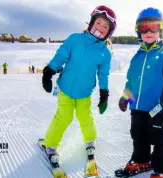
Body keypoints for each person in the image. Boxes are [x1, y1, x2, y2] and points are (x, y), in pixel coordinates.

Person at [41, 5, 116, 164]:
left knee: (86, 118)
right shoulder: (75, 39)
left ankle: (90, 141)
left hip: (84, 93)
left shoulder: (105, 53)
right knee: (63, 117)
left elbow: (103, 74)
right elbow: (60, 56)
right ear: (91, 22)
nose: (101, 28)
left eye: (105, 26)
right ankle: (50, 144)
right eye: (98, 23)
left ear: (109, 32)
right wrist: (49, 71)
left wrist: (104, 93)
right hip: (66, 89)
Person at [117, 7, 163, 178]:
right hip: (137, 105)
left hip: (157, 107)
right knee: (138, 133)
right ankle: (142, 159)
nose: (148, 31)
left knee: (158, 136)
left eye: (153, 27)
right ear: (138, 31)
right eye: (144, 27)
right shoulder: (137, 56)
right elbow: (131, 80)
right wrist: (125, 97)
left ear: (160, 29)